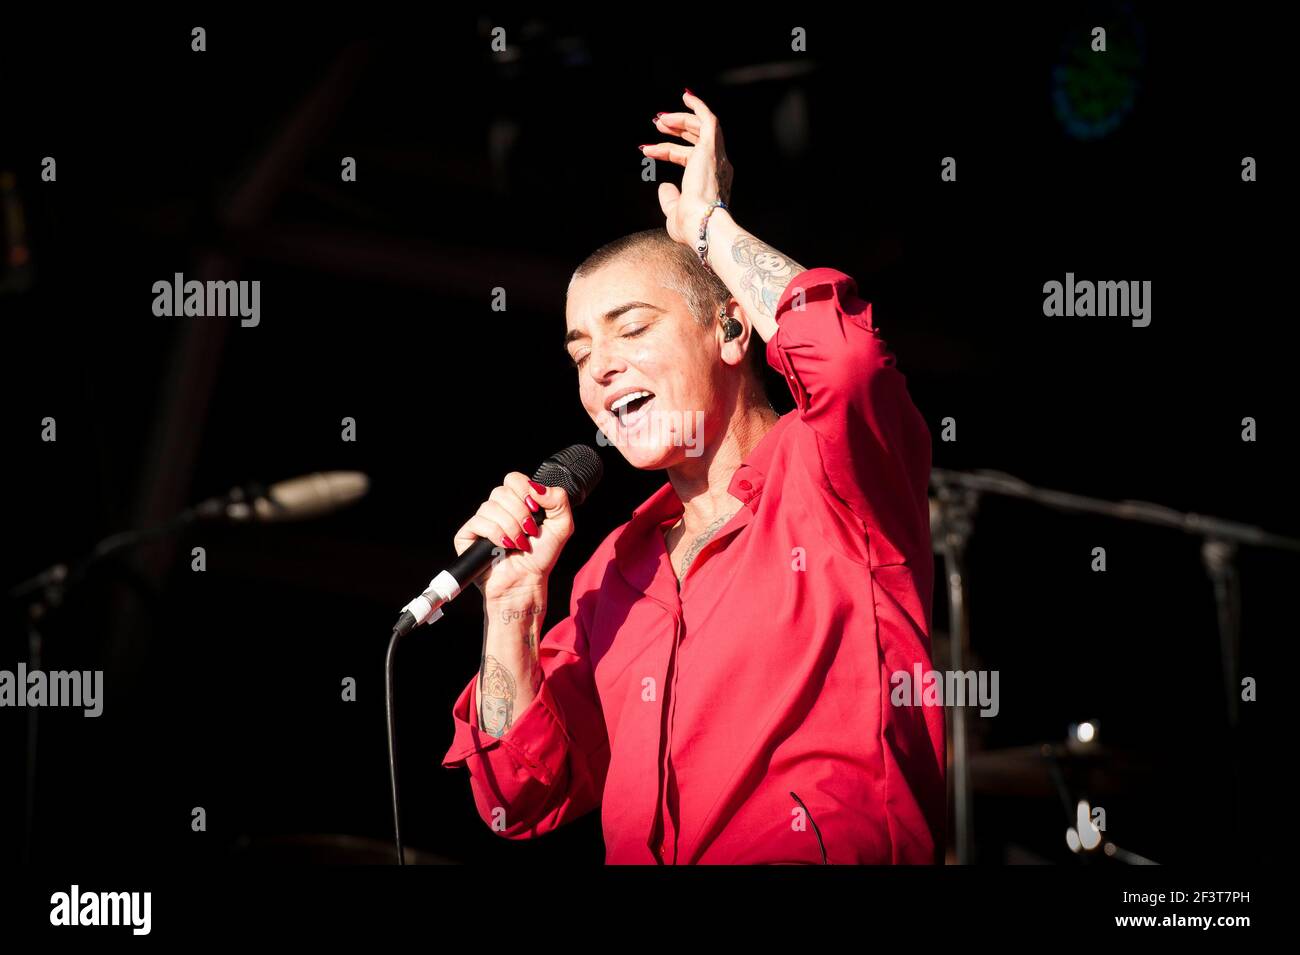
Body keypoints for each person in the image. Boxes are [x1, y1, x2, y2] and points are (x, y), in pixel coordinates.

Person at [442, 89, 945, 864]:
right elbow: (519, 796)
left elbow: (842, 359)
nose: (602, 366)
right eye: (580, 355)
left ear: (733, 329)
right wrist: (509, 611)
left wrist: (711, 232)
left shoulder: (831, 473)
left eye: (632, 328)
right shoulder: (613, 572)